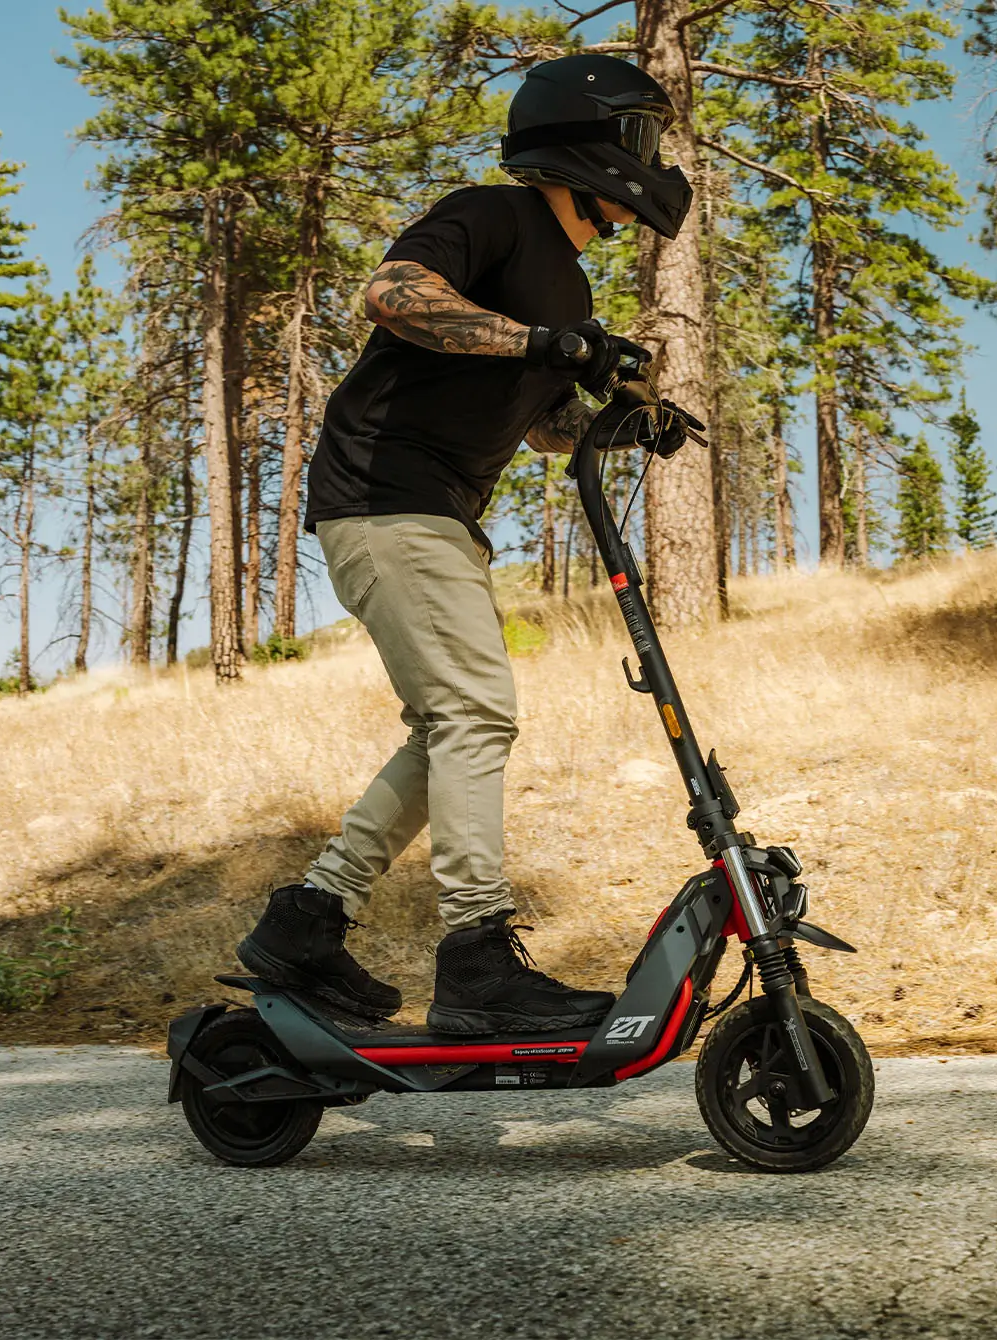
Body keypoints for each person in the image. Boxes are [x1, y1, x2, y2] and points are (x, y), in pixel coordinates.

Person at [236, 53, 694, 1035]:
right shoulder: (489, 214)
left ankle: (307, 921)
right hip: (383, 492)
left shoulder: (567, 289)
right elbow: (394, 295)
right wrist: (546, 346)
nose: (650, 159)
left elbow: (543, 426)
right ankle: (478, 957)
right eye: (640, 136)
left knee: (449, 722)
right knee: (476, 711)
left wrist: (621, 422)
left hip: (432, 511)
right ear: (590, 140)